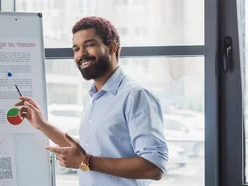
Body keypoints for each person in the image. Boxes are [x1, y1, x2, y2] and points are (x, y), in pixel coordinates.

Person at [14, 16, 168, 186]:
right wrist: (41, 124)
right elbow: (88, 151)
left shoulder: (136, 95)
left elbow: (154, 166)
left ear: (112, 47)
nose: (81, 54)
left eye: (89, 45)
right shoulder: (94, 97)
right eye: (76, 48)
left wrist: (85, 161)